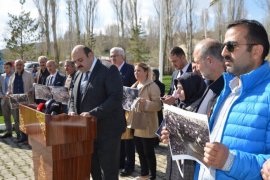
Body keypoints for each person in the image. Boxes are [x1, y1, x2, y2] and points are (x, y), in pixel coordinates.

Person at [193, 19, 270, 179]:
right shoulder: (230, 87)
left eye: (231, 46)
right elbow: (214, 139)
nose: (223, 53)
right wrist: (182, 136)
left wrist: (230, 161)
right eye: (223, 46)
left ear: (256, 51)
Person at [160, 38, 226, 179]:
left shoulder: (228, 90)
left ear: (209, 60)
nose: (194, 66)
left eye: (196, 61)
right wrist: (173, 133)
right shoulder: (209, 87)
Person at [68, 45, 125, 180]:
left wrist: (93, 113)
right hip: (87, 133)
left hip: (107, 131)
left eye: (80, 60)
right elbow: (71, 97)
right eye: (75, 62)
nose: (78, 64)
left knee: (109, 173)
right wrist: (71, 110)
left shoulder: (109, 69)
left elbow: (115, 97)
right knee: (94, 171)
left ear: (91, 55)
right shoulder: (77, 74)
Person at [128, 62, 162, 180]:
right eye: (135, 71)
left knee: (148, 152)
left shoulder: (152, 86)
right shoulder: (134, 85)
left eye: (139, 71)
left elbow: (158, 105)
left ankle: (152, 176)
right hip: (136, 123)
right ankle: (144, 174)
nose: (136, 73)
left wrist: (145, 103)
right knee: (140, 151)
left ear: (146, 72)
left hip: (148, 124)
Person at [110, 47, 136, 177]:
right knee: (118, 138)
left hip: (127, 110)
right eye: (111, 56)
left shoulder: (130, 69)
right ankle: (120, 162)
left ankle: (129, 165)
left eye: (115, 56)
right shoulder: (110, 70)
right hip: (114, 110)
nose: (112, 58)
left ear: (122, 56)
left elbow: (135, 89)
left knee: (128, 140)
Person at [7, 59, 34, 143]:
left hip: (26, 100)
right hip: (15, 101)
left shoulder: (29, 75)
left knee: (26, 119)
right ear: (15, 66)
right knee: (18, 119)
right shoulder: (12, 76)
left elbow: (33, 86)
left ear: (23, 65)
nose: (19, 66)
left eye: (20, 65)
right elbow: (9, 88)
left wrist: (30, 91)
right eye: (17, 65)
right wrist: (8, 92)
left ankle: (28, 137)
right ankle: (21, 136)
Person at [0, 62, 14, 138]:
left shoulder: (15, 75)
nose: (5, 69)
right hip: (4, 100)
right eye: (4, 68)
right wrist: (2, 96)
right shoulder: (2, 76)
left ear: (11, 67)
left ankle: (19, 134)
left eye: (7, 67)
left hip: (12, 100)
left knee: (16, 117)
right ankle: (9, 132)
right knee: (6, 117)